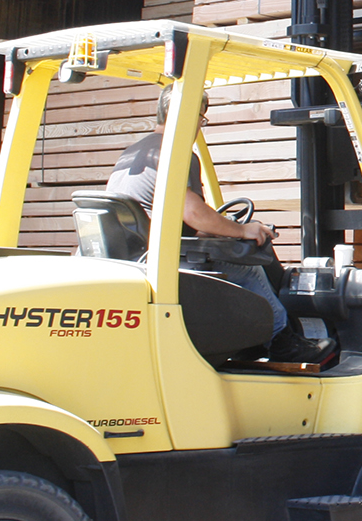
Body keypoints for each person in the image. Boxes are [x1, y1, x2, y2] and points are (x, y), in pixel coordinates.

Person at [106, 86, 335, 365]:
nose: (198, 127)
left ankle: (248, 343)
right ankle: (282, 342)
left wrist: (217, 227)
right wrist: (242, 230)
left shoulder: (134, 151)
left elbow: (173, 214)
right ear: (189, 116)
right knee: (248, 266)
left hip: (138, 255)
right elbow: (192, 212)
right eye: (201, 119)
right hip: (163, 259)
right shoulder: (173, 153)